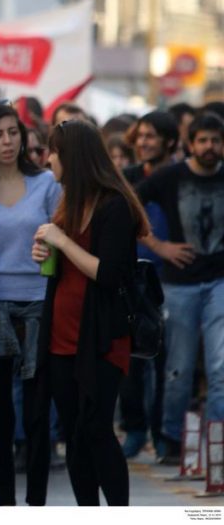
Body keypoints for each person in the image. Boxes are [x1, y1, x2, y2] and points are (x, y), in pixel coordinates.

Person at [32, 119, 149, 506]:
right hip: (61, 335)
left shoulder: (114, 206)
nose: (48, 159)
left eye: (54, 151)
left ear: (73, 157)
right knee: (73, 434)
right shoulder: (69, 203)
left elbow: (107, 272)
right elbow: (67, 265)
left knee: (96, 428)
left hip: (101, 335)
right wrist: (44, 254)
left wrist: (61, 240)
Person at [0, 103, 60, 505]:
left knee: (38, 417)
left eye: (12, 132)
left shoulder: (46, 184)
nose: (7, 142)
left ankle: (36, 505)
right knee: (0, 418)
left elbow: (62, 241)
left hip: (41, 304)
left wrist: (50, 253)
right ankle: (6, 506)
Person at [135, 112, 224, 465]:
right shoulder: (170, 177)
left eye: (216, 140)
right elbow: (130, 206)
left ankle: (217, 441)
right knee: (179, 367)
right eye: (202, 140)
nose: (209, 147)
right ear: (190, 143)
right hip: (180, 284)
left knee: (220, 367)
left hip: (219, 281)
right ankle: (171, 438)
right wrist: (158, 246)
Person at [118, 111, 178, 459]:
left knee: (167, 362)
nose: (143, 142)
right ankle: (136, 429)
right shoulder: (126, 178)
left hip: (172, 278)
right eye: (140, 136)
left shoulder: (182, 176)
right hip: (133, 277)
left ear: (170, 140)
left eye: (151, 136)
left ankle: (162, 434)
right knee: (131, 361)